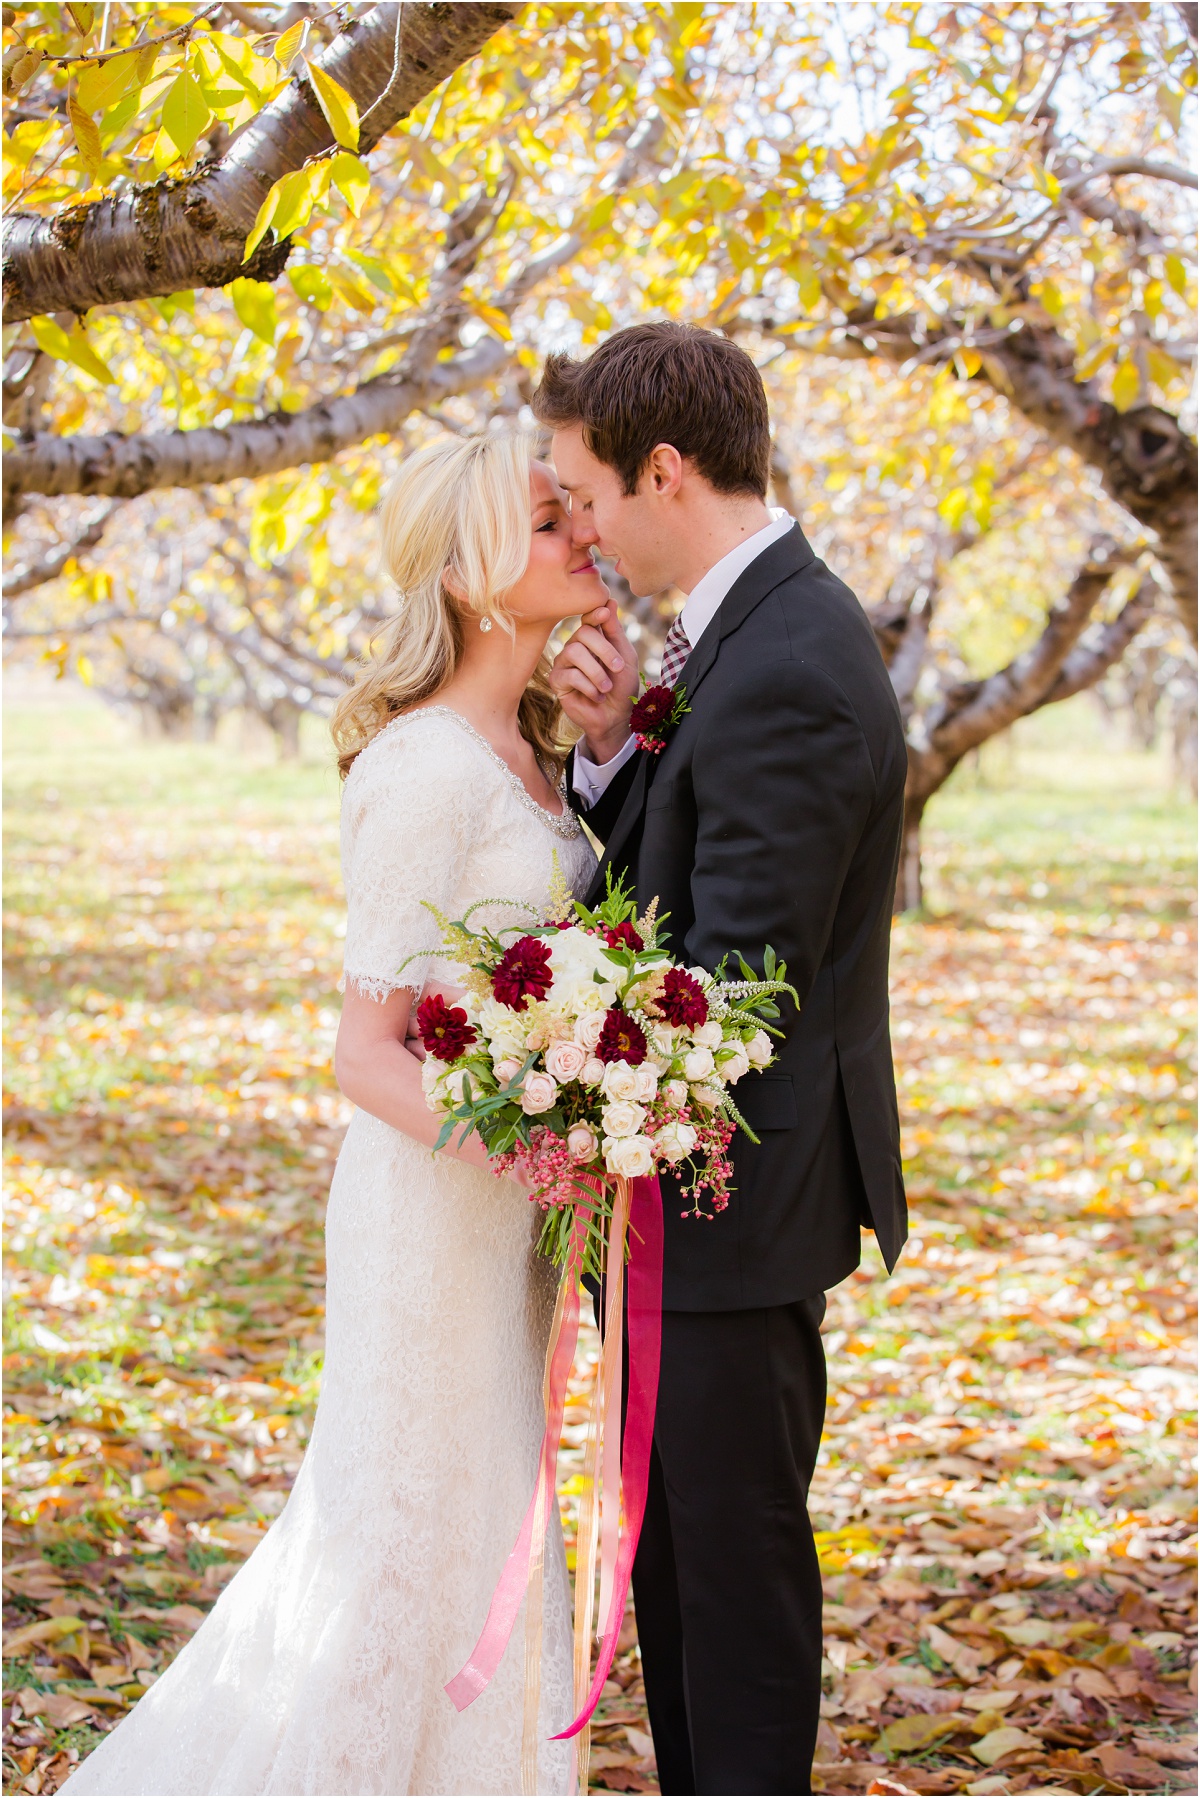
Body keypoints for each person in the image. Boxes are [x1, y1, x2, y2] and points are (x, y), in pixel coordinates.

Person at [61, 432, 599, 1797]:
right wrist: (530, 1142)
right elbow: (363, 1051)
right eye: (549, 520)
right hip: (429, 1216)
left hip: (506, 1216)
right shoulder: (423, 768)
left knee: (484, 1523)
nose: (582, 532)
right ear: (480, 574)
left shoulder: (529, 751)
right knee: (399, 1535)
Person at [537, 321, 908, 1797]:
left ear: (666, 469)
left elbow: (736, 985)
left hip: (732, 1212)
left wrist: (562, 1048)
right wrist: (624, 747)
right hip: (686, 1206)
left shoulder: (796, 662)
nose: (581, 525)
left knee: (736, 1593)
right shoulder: (739, 632)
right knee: (681, 1571)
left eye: (586, 492)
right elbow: (686, 880)